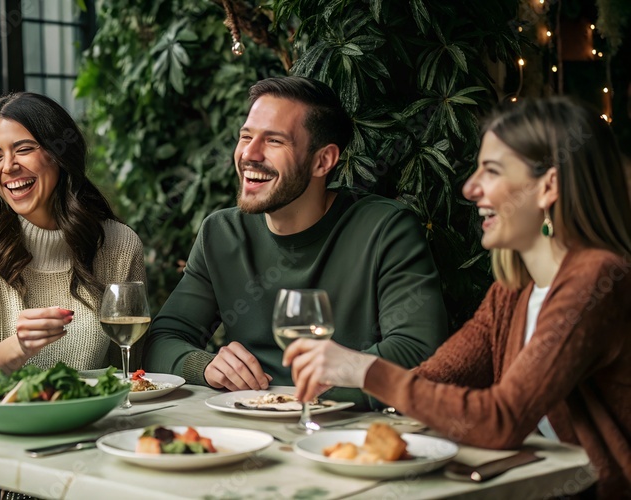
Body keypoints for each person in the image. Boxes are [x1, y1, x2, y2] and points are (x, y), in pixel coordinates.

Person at [284, 97, 631, 497]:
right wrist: (345, 379)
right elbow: (433, 379)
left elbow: (502, 419)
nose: (470, 188)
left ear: (548, 186)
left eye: (493, 171)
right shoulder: (512, 292)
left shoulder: (596, 278)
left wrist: (365, 370)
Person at [143, 76, 449, 409]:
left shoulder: (386, 229)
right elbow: (162, 341)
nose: (249, 153)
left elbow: (419, 353)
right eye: (246, 136)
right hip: (244, 427)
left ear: (323, 161)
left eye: (274, 141)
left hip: (347, 434)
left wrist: (315, 392)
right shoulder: (221, 232)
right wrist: (206, 366)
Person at [0, 92, 145, 385]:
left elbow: (132, 372)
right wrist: (19, 346)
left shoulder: (119, 244)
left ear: (59, 154)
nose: (8, 166)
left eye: (23, 149)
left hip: (93, 421)